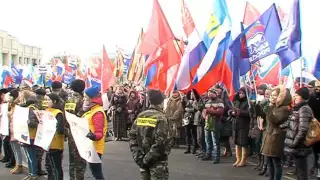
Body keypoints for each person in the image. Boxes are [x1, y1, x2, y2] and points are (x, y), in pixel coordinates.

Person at [129, 89, 172, 180]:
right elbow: (160, 143)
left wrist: (138, 158)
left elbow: (132, 137)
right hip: (157, 163)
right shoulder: (161, 118)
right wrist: (147, 160)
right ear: (161, 102)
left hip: (142, 159)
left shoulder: (141, 115)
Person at [261, 85, 291, 180]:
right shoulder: (273, 107)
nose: (272, 97)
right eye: (271, 95)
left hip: (276, 137)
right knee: (269, 162)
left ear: (280, 96)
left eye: (275, 95)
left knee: (276, 163)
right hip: (269, 136)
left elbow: (275, 121)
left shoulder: (284, 109)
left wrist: (269, 109)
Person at [284, 87, 313, 180]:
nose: (295, 97)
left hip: (300, 146)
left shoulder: (304, 109)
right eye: (295, 95)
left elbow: (303, 129)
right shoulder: (298, 108)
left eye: (297, 96)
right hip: (297, 145)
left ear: (303, 97)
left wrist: (294, 143)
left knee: (302, 173)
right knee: (299, 172)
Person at [83, 86, 107, 180]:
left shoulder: (97, 113)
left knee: (97, 173)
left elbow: (99, 133)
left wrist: (92, 136)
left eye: (85, 97)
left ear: (91, 98)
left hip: (95, 148)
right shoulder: (93, 110)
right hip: (91, 146)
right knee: (95, 172)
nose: (84, 99)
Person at [65, 79, 87, 180]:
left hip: (71, 132)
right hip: (80, 133)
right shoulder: (82, 100)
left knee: (72, 160)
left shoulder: (68, 99)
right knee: (80, 160)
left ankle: (71, 178)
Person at [20, 91, 40, 180]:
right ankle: (30, 173)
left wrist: (28, 122)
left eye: (21, 96)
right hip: (26, 135)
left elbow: (34, 123)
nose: (20, 98)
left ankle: (33, 173)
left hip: (30, 136)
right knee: (28, 156)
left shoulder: (31, 109)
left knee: (31, 156)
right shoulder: (26, 108)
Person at [201, 89, 224, 164]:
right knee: (207, 140)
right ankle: (208, 154)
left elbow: (220, 112)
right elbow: (204, 112)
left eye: (211, 93)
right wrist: (205, 116)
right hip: (208, 123)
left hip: (216, 123)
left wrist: (210, 111)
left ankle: (217, 157)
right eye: (209, 93)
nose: (210, 94)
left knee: (215, 141)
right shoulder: (207, 102)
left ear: (215, 93)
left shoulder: (219, 101)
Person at [45, 93, 65, 180]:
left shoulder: (58, 113)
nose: (47, 102)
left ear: (54, 101)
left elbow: (60, 130)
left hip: (56, 144)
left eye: (48, 100)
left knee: (57, 167)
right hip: (48, 142)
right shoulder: (47, 111)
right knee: (51, 166)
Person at [230, 87, 251, 167]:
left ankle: (243, 160)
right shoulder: (236, 101)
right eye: (240, 93)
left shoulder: (248, 103)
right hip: (236, 124)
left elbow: (249, 113)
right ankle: (238, 159)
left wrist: (240, 112)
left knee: (243, 143)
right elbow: (230, 110)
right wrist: (231, 113)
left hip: (244, 125)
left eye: (243, 93)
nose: (241, 95)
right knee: (237, 142)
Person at [8, 89, 24, 174]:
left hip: (16, 129)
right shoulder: (11, 106)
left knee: (17, 149)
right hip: (11, 128)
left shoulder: (18, 107)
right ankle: (17, 165)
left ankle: (20, 165)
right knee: (14, 148)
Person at [183, 89, 203, 154]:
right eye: (191, 93)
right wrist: (188, 108)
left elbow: (197, 109)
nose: (191, 94)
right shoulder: (186, 100)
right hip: (186, 118)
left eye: (193, 93)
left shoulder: (197, 100)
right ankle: (187, 148)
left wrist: (190, 108)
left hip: (194, 118)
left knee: (193, 134)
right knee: (187, 134)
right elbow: (183, 108)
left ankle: (194, 148)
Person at [308, 80, 320, 179]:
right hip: (315, 125)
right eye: (317, 86)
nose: (318, 88)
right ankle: (314, 166)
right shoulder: (312, 97)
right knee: (314, 148)